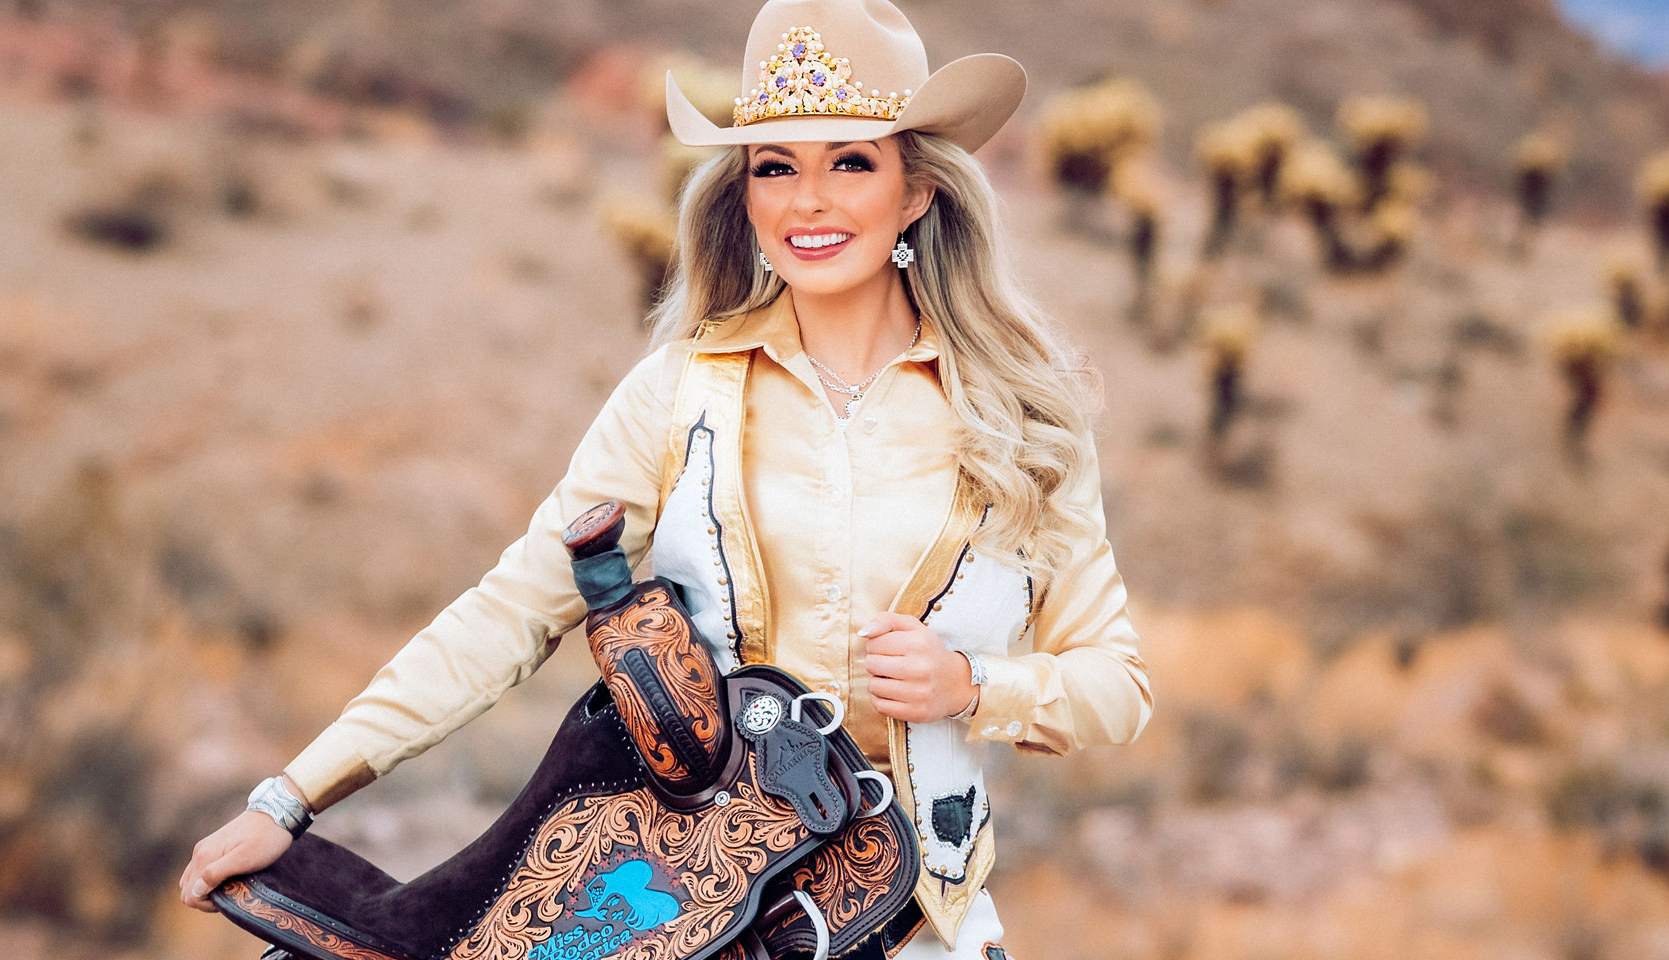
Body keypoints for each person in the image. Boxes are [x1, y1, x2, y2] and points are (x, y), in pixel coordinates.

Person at [178, 0, 1152, 956]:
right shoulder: (677, 394)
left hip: (923, 929)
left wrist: (972, 685)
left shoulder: (1019, 419)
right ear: (746, 191)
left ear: (915, 191)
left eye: (849, 161)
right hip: (706, 920)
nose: (807, 201)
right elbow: (510, 612)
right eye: (776, 167)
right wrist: (291, 796)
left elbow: (1116, 683)